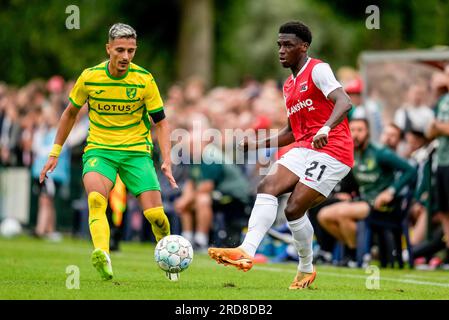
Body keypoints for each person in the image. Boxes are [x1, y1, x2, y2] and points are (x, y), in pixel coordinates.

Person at [208, 21, 353, 290]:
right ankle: (246, 251)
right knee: (267, 186)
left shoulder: (318, 69)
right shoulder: (288, 86)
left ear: (303, 47)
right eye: (279, 45)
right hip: (306, 147)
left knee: (294, 208)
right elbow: (291, 131)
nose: (281, 51)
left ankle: (306, 269)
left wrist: (325, 128)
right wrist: (257, 143)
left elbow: (344, 101)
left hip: (333, 149)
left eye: (287, 45)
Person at [39, 23, 178, 281]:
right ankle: (103, 254)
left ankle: (170, 257)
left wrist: (167, 160)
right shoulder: (90, 77)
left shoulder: (144, 80)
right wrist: (54, 152)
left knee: (156, 216)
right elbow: (70, 113)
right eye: (120, 50)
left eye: (131, 51)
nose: (126, 56)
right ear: (108, 49)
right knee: (95, 201)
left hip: (136, 153)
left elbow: (161, 122)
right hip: (100, 150)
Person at [317, 118, 416, 265]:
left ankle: (357, 255)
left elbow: (410, 170)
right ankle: (358, 251)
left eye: (360, 130)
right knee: (323, 216)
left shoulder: (380, 152)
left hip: (382, 206)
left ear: (367, 132)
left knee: (342, 213)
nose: (356, 134)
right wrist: (345, 193)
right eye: (353, 130)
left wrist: (391, 191)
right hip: (363, 201)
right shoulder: (353, 153)